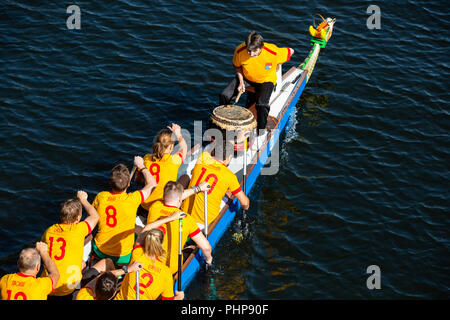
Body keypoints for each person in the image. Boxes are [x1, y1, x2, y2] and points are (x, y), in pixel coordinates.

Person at [219, 31, 294, 132]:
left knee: (262, 105)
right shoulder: (239, 51)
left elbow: (291, 51)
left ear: (261, 47)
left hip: (266, 80)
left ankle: (261, 129)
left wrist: (278, 64)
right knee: (225, 95)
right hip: (246, 78)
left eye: (254, 51)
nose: (251, 54)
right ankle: (224, 122)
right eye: (249, 51)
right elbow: (237, 67)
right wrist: (241, 82)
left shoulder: (273, 52)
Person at [91, 156, 156, 265]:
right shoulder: (133, 199)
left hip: (100, 250)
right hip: (123, 256)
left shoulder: (101, 197)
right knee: (143, 232)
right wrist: (142, 166)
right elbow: (153, 184)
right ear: (128, 184)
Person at [114, 211, 187, 300]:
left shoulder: (137, 254)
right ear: (161, 244)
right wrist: (179, 298)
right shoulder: (166, 273)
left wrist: (171, 218)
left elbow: (146, 228)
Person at [41, 190, 99, 299]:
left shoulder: (50, 231)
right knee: (83, 264)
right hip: (67, 288)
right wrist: (83, 200)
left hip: (49, 285)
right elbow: (95, 216)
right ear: (78, 218)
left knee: (82, 264)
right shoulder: (79, 230)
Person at [147, 181, 213, 274]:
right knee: (192, 247)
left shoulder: (154, 207)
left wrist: (198, 189)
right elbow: (206, 248)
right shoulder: (187, 219)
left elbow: (173, 196)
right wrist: (209, 259)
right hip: (170, 268)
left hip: (148, 261)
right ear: (180, 199)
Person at [182, 140, 249, 228]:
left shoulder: (202, 157)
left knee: (185, 177)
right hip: (204, 221)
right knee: (230, 195)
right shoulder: (230, 176)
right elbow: (245, 203)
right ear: (228, 157)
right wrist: (245, 207)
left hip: (185, 211)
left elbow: (208, 149)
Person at [136, 123, 187, 215]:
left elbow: (138, 179)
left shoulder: (146, 158)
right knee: (185, 177)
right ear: (171, 147)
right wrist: (178, 133)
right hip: (161, 205)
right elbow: (184, 148)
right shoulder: (174, 160)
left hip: (145, 205)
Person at [75, 259, 142, 300]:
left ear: (95, 287)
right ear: (114, 294)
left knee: (107, 262)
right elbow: (101, 276)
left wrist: (127, 269)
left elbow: (101, 276)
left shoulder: (83, 294)